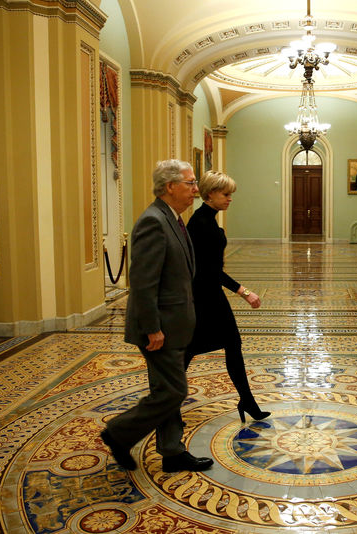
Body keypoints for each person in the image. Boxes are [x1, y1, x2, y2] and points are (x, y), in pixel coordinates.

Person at [100, 159, 213, 473]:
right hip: (159, 327)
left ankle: (172, 452)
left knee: (165, 391)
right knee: (175, 391)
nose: (196, 189)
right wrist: (152, 328)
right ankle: (118, 434)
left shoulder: (172, 218)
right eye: (190, 183)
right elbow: (143, 283)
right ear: (170, 187)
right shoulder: (153, 221)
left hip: (173, 324)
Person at [185, 170, 270, 423]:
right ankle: (165, 403)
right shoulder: (200, 223)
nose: (230, 199)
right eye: (226, 194)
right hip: (203, 297)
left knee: (230, 345)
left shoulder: (208, 219)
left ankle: (247, 400)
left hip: (209, 294)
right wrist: (244, 292)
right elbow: (209, 270)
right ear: (210, 194)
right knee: (189, 350)